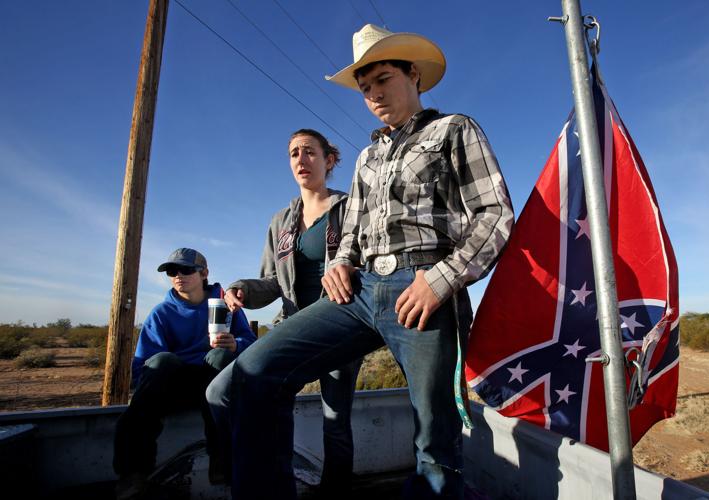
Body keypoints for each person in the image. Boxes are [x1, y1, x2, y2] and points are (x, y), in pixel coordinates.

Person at [210, 24, 514, 499]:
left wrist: (441, 280)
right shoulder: (367, 158)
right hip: (358, 291)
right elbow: (350, 232)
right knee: (253, 375)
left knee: (434, 443)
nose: (372, 94)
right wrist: (340, 263)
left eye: (382, 79)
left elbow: (495, 214)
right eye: (364, 87)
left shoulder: (454, 129)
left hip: (424, 290)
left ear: (413, 74)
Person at [206, 128, 362, 494]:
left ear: (330, 160)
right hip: (292, 326)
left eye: (309, 151)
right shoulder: (281, 221)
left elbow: (367, 263)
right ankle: (273, 482)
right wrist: (242, 288)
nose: (301, 160)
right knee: (222, 392)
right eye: (293, 153)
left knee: (335, 419)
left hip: (341, 322)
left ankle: (336, 490)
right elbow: (272, 281)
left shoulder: (352, 208)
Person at [113, 248, 256, 498]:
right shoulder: (161, 313)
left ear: (204, 274)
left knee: (221, 356)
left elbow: (251, 344)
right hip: (174, 389)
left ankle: (222, 459)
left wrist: (236, 344)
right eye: (172, 271)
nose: (178, 275)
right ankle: (133, 472)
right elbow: (142, 368)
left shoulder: (226, 306)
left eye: (186, 269)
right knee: (160, 362)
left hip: (215, 387)